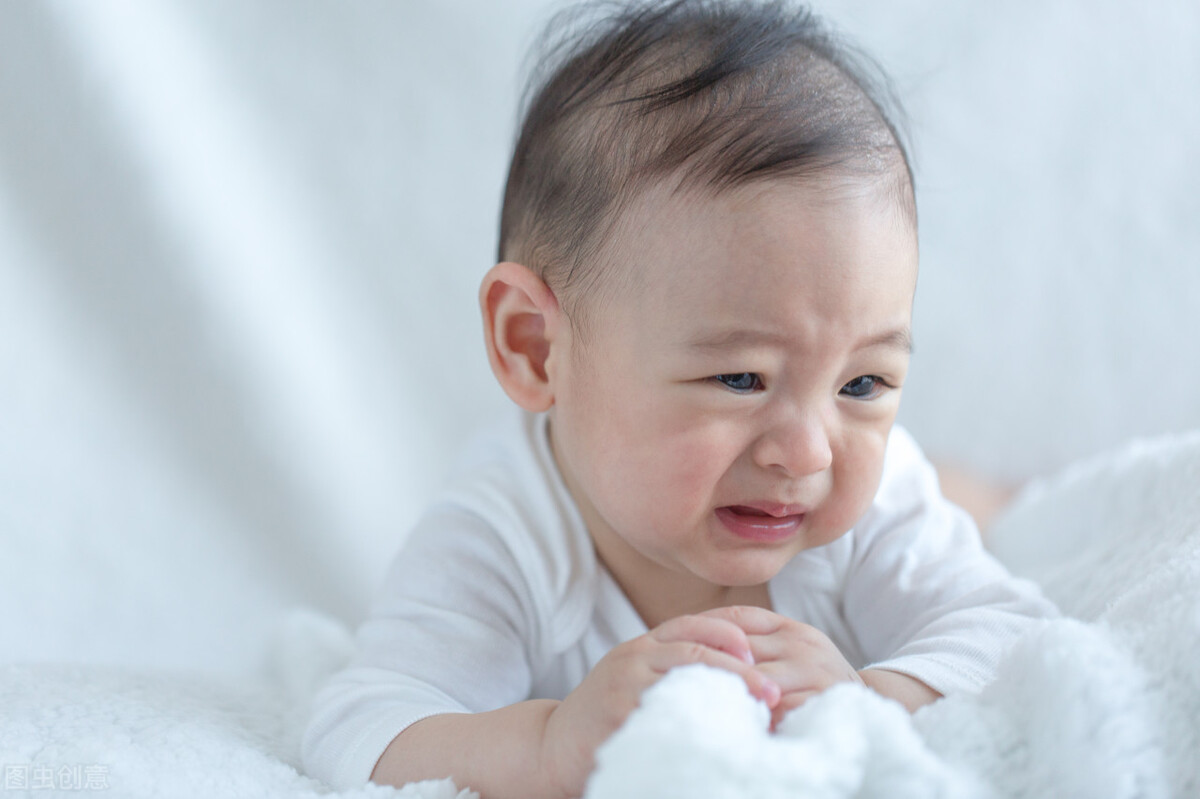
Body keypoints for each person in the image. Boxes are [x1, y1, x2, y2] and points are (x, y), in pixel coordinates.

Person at [302, 1, 1057, 796]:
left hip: (916, 510)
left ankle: (982, 490)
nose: (807, 451)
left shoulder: (872, 503)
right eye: (740, 378)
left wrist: (870, 700)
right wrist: (545, 744)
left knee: (966, 503)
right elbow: (360, 728)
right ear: (534, 346)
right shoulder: (504, 533)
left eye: (862, 384)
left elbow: (1013, 643)